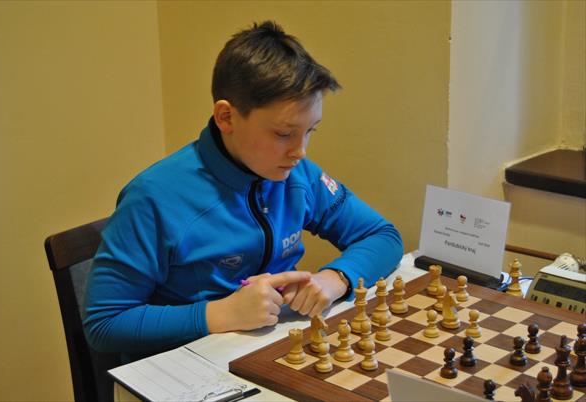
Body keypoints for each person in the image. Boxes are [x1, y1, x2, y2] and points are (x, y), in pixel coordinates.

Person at [83, 21, 403, 361]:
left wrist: (335, 278)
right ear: (226, 117)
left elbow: (383, 236)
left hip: (269, 350)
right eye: (283, 134)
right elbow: (104, 324)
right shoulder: (153, 198)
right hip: (183, 364)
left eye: (311, 130)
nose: (300, 151)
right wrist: (220, 313)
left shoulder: (297, 175)